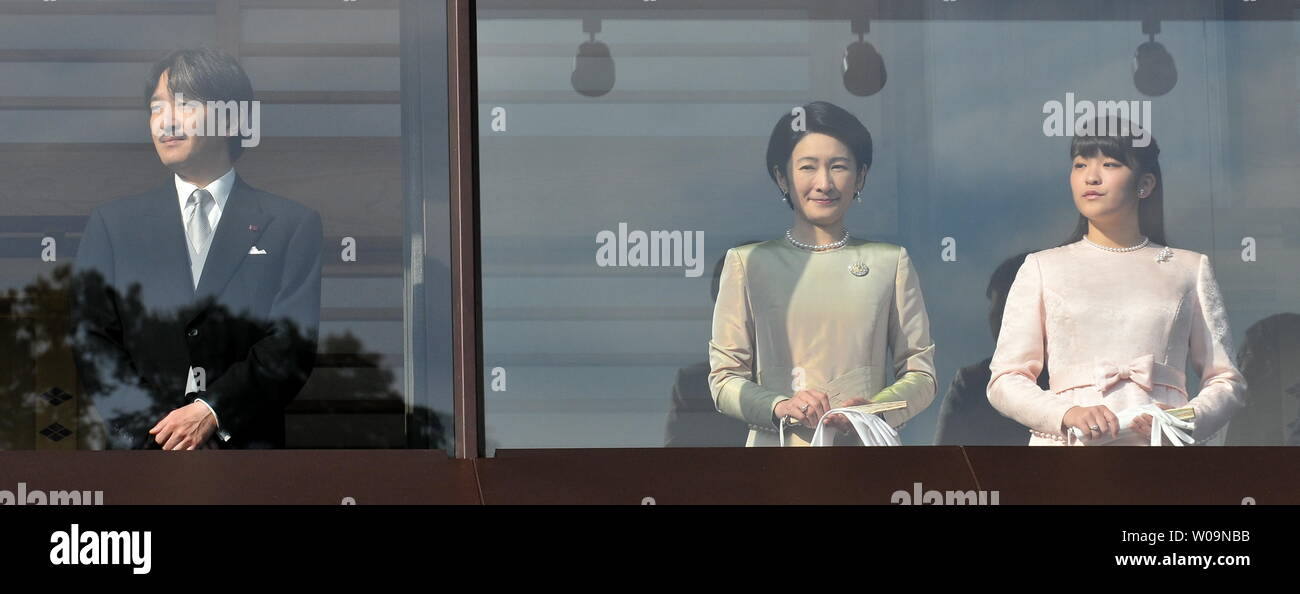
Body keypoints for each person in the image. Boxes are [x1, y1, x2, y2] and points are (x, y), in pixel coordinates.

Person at [70, 48, 322, 450]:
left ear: (231, 119)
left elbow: (289, 346)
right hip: (140, 462)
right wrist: (155, 430)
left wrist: (212, 410)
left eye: (183, 105)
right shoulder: (113, 225)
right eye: (156, 108)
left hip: (248, 459)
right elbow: (92, 340)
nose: (165, 121)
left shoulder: (291, 225)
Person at [987, 118, 1246, 446]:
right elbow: (1006, 380)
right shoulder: (1042, 267)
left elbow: (1225, 380)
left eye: (1109, 163)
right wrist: (1067, 414)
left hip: (1161, 451)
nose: (1091, 176)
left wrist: (1182, 419)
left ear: (1145, 184)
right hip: (1071, 453)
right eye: (1080, 164)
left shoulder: (1188, 268)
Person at [708, 101, 937, 447]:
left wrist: (874, 410)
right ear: (782, 177)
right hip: (776, 458)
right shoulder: (747, 263)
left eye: (839, 166)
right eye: (807, 167)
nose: (824, 183)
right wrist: (779, 405)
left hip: (864, 456)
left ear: (860, 176)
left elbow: (921, 376)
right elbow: (724, 379)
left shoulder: (890, 262)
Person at [933, 254, 1038, 446]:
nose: (1002, 320)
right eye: (997, 312)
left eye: (1009, 309)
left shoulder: (1073, 379)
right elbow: (943, 462)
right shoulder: (972, 383)